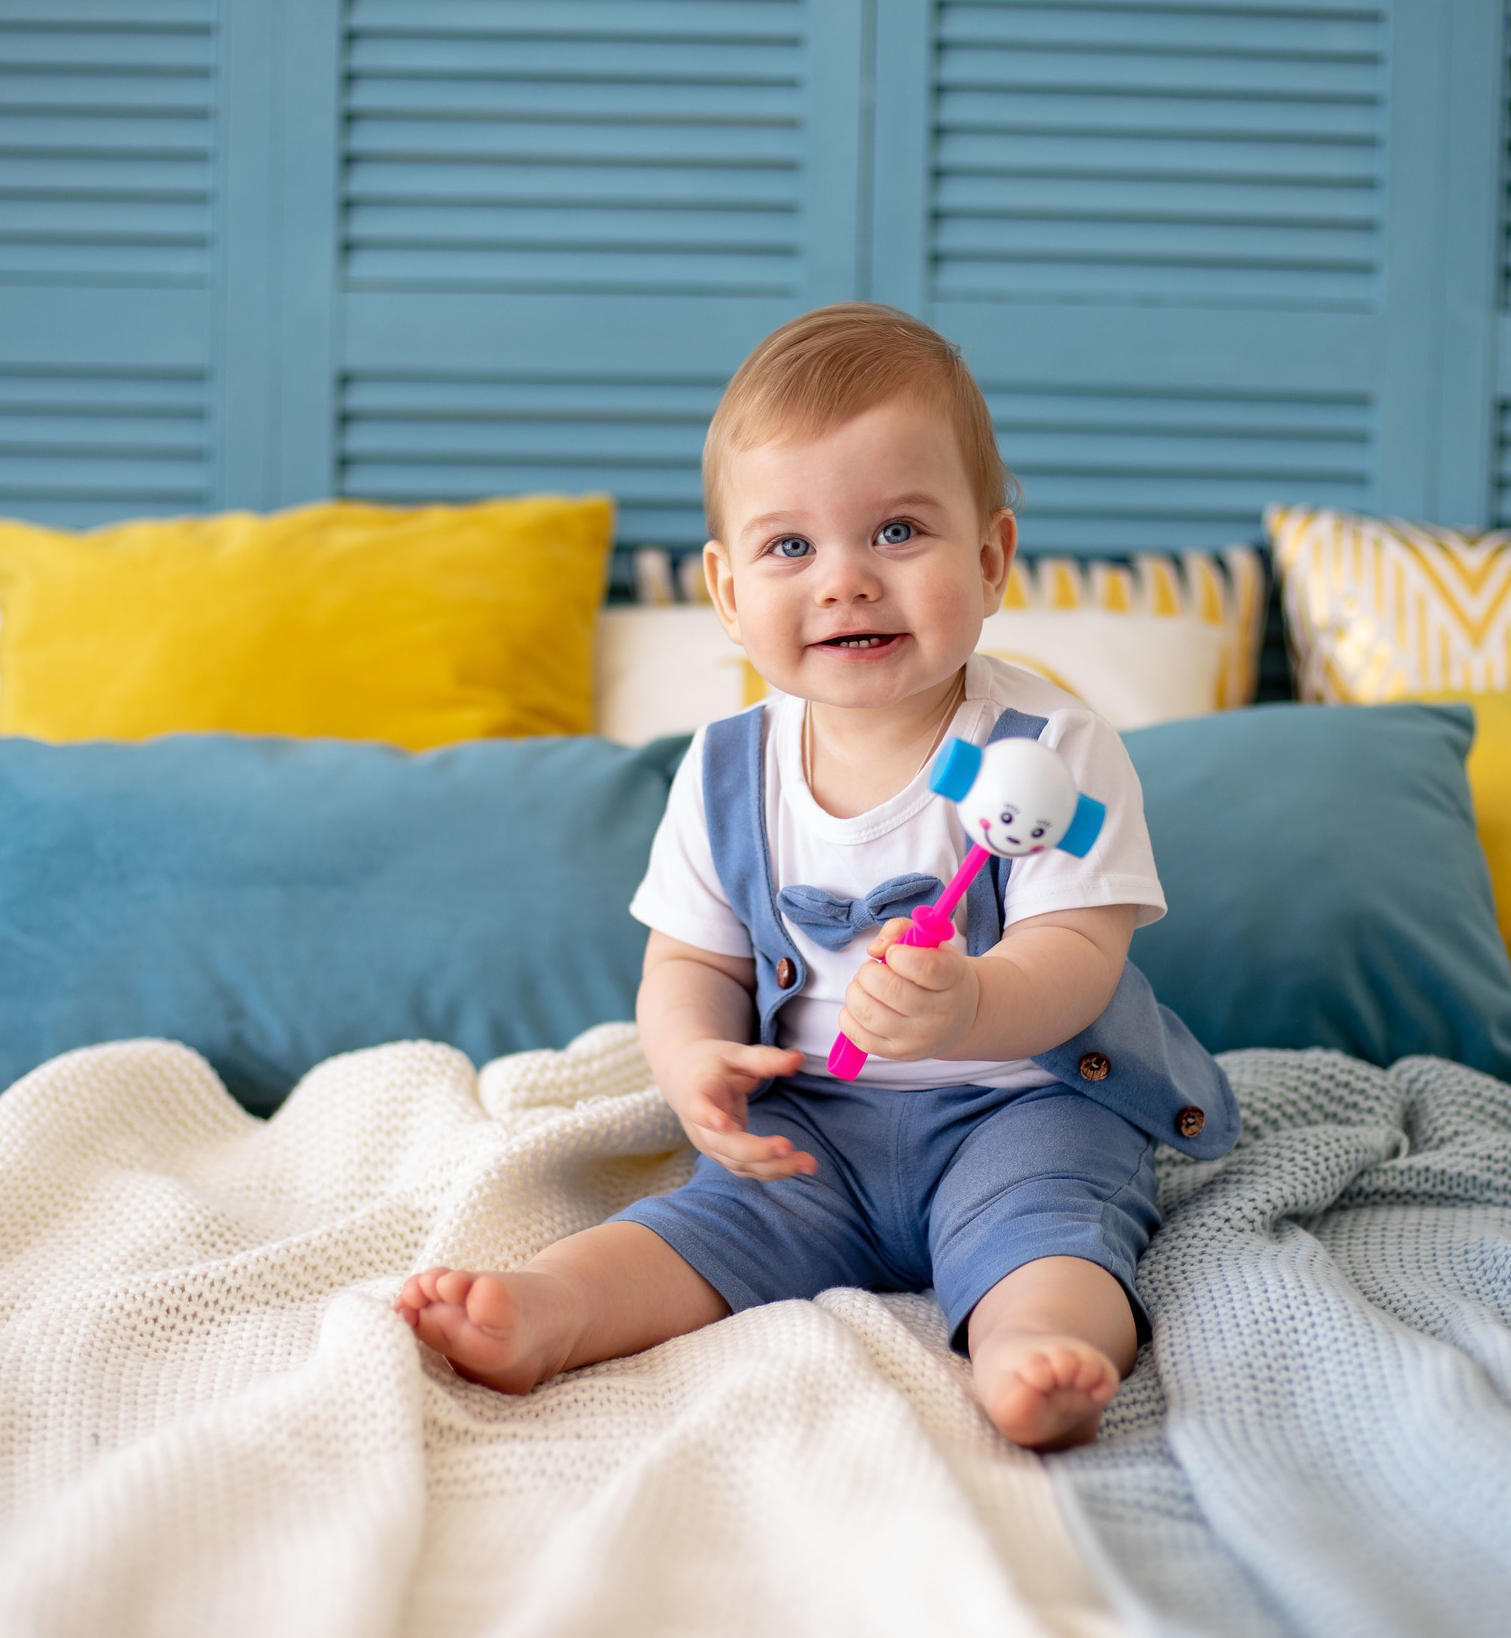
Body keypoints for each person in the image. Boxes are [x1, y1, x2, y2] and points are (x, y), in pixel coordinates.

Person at [395, 303, 1236, 1449]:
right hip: (814, 1129)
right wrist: (692, 1060)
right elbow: (689, 959)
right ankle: (554, 1306)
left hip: (1018, 1105)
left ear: (988, 560)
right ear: (730, 592)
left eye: (897, 531)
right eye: (790, 547)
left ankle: (1039, 1353)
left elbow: (1082, 953)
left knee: (1048, 1227)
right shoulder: (725, 771)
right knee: (703, 1226)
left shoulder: (1045, 753)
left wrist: (975, 1004)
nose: (843, 581)